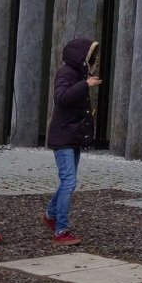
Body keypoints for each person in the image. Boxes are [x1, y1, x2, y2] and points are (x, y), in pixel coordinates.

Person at [44, 37, 101, 247]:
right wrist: (85, 85)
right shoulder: (67, 73)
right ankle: (61, 230)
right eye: (91, 55)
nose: (94, 59)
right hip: (63, 137)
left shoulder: (78, 74)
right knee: (69, 182)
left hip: (72, 136)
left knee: (68, 181)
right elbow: (61, 97)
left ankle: (51, 215)